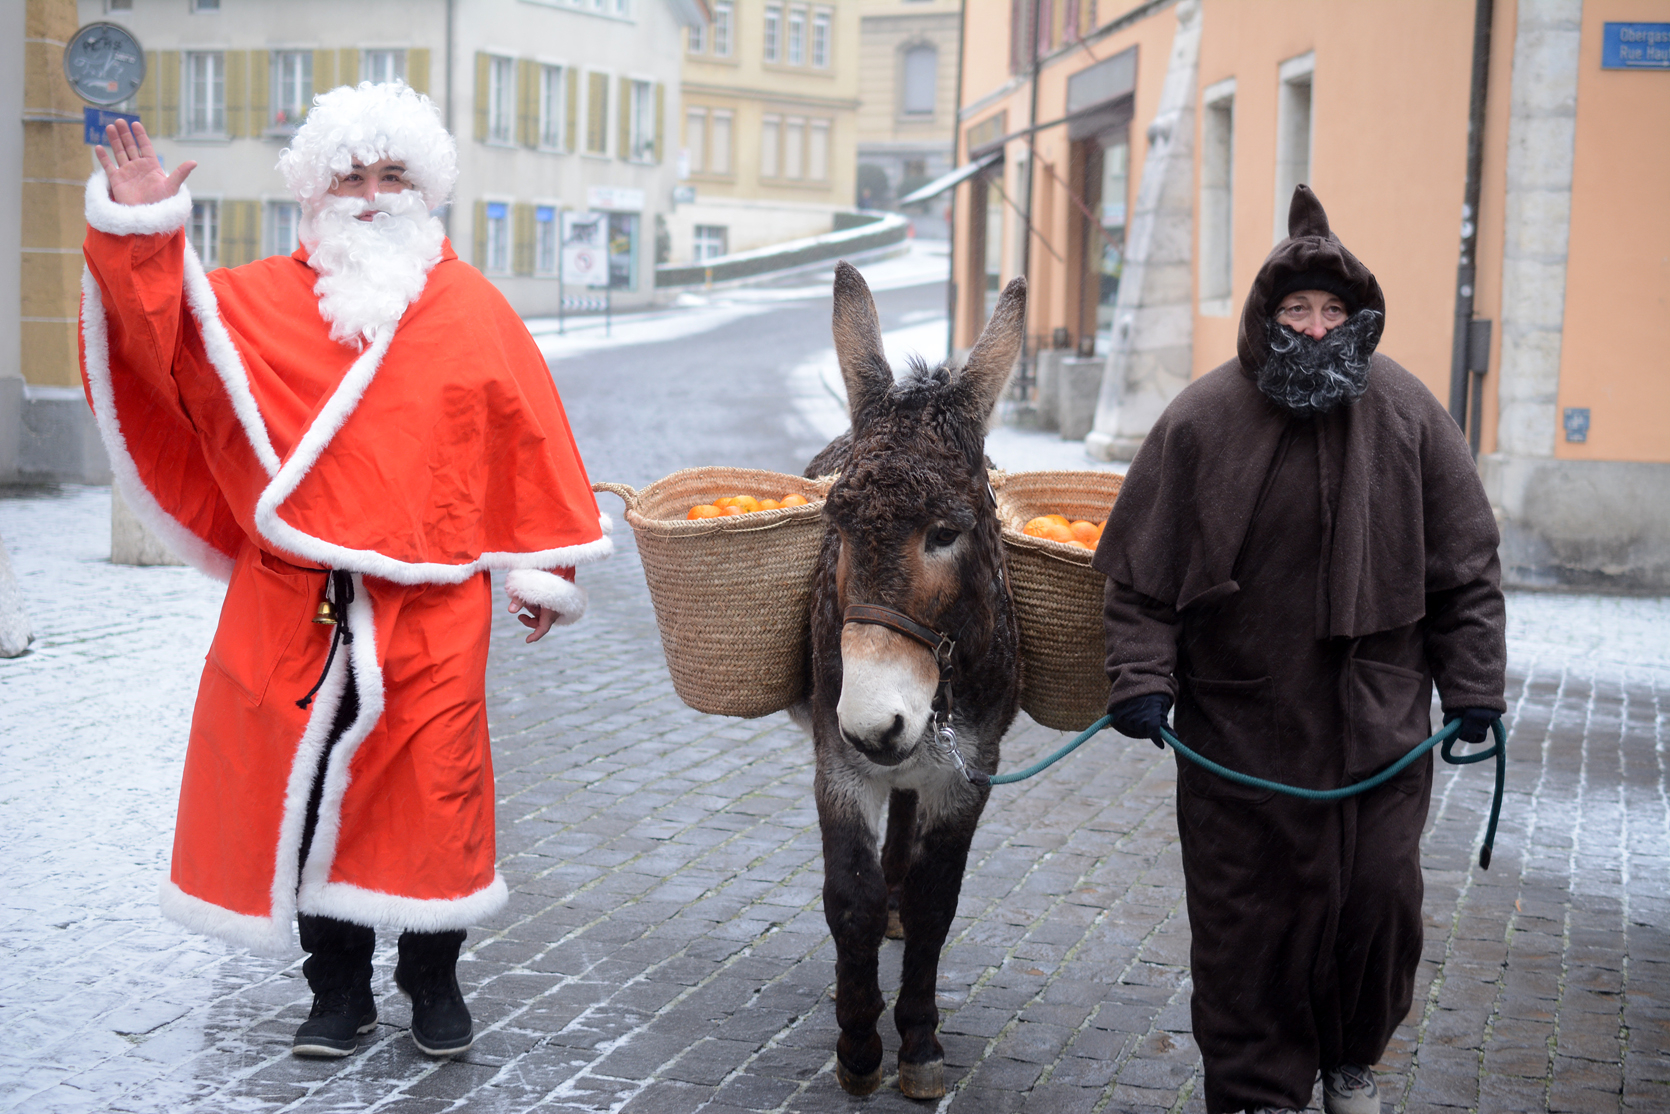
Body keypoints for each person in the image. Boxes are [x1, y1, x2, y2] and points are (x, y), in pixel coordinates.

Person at [80, 83, 611, 1059]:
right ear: (313, 196)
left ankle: (433, 983)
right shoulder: (258, 305)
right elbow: (159, 341)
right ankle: (335, 991)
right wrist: (144, 230)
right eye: (350, 177)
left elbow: (524, 435)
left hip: (435, 606)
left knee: (433, 795)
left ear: (427, 188)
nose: (371, 195)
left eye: (392, 175)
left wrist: (539, 563)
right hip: (298, 601)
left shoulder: (472, 311)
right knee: (309, 788)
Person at [1093, 186, 1506, 1114]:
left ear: (1357, 318)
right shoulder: (1201, 421)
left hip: (1380, 734)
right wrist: (1140, 680)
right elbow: (1138, 581)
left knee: (1378, 910)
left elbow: (1467, 571)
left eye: (1333, 311)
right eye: (1297, 311)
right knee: (1248, 927)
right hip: (1243, 733)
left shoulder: (1410, 413)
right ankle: (1254, 1090)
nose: (1317, 329)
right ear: (1266, 317)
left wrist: (1474, 686)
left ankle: (1352, 1057)